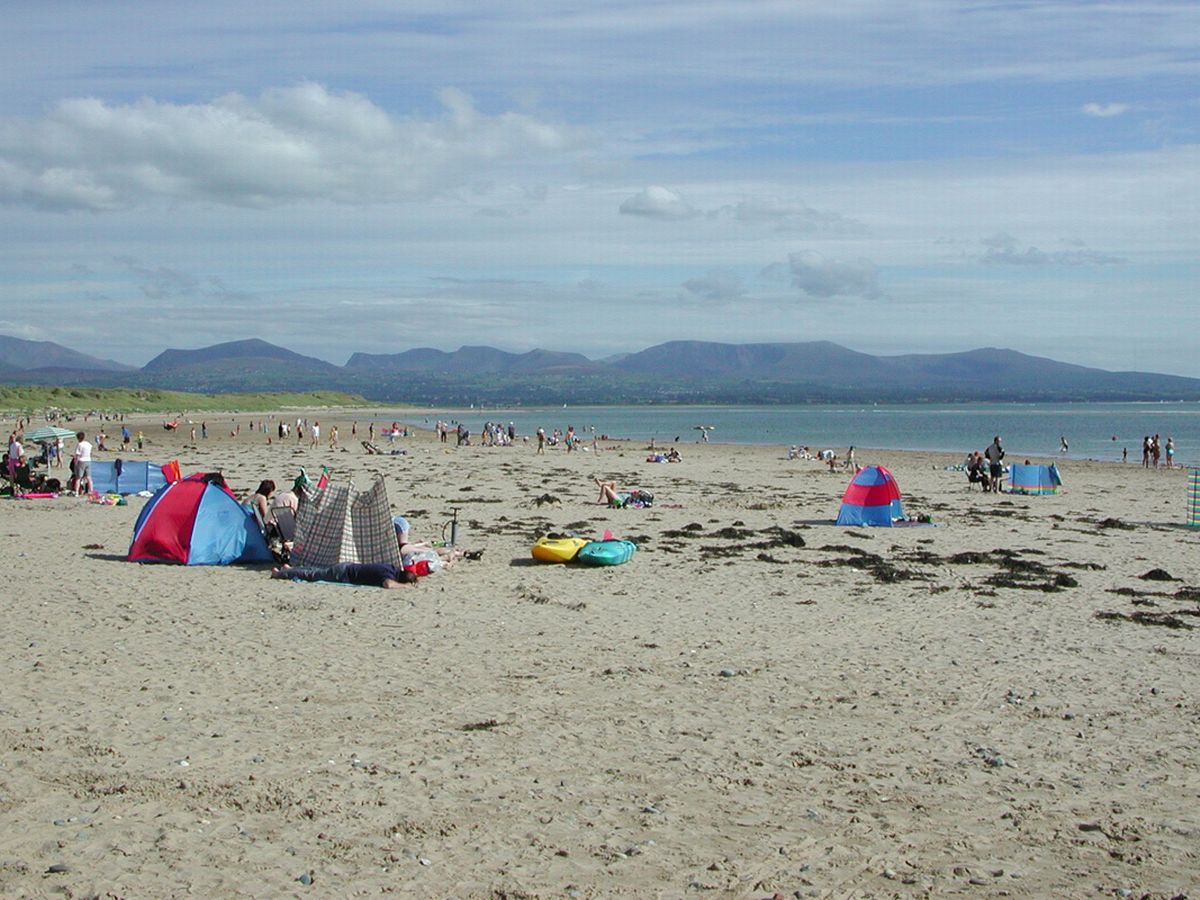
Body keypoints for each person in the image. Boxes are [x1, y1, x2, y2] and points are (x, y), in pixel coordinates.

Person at [272, 562, 417, 589]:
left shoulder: (391, 567)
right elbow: (388, 585)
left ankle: (288, 569)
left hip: (347, 566)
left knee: (315, 571)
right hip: (343, 574)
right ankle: (280, 574)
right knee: (313, 575)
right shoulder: (388, 575)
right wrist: (405, 587)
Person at [72, 431, 92, 496]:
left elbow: (77, 455)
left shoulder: (79, 444)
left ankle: (77, 492)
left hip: (81, 461)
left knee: (78, 478)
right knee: (89, 477)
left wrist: (75, 462)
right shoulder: (88, 444)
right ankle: (90, 491)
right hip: (88, 460)